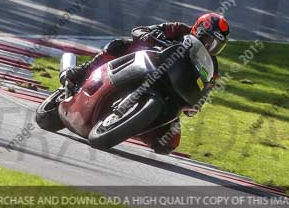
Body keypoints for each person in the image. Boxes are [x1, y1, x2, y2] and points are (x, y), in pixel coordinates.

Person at [60, 13, 230, 153]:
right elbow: (138, 30)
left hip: (169, 95)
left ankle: (133, 125)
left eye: (217, 45)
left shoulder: (211, 68)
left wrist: (194, 105)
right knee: (120, 45)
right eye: (208, 40)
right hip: (144, 65)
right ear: (198, 30)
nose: (210, 47)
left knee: (168, 143)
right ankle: (82, 71)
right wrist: (150, 36)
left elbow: (204, 92)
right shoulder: (179, 30)